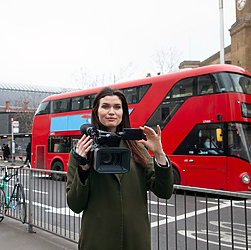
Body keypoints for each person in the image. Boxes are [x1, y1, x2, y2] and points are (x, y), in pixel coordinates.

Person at [66, 87, 174, 250]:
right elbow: (75, 204)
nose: (111, 112)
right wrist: (83, 168)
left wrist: (159, 153)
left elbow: (164, 192)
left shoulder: (137, 148)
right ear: (96, 111)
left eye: (117, 107)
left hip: (135, 239)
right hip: (97, 240)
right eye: (105, 106)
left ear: (124, 112)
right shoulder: (82, 151)